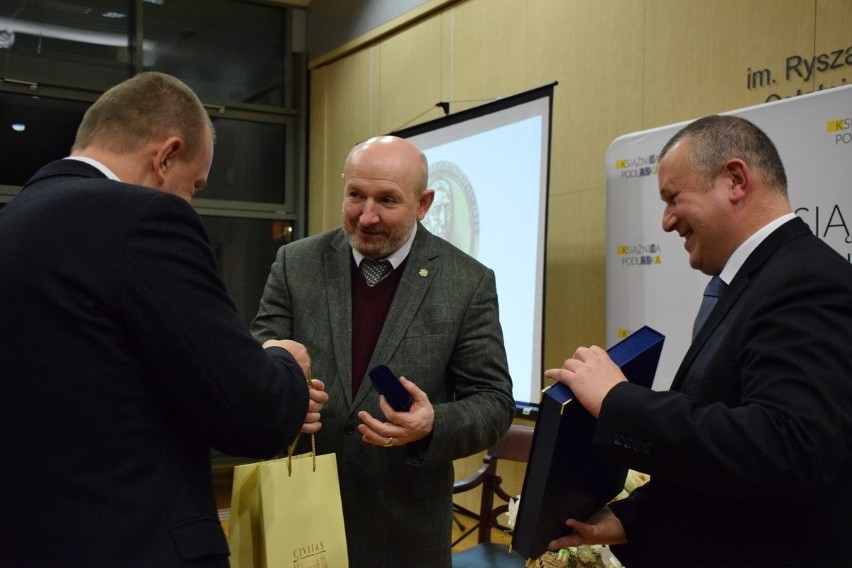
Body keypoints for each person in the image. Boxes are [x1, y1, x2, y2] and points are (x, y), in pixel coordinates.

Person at [0, 72, 328, 567]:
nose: (190, 201)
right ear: (166, 156)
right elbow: (251, 414)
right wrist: (284, 362)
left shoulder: (17, 220)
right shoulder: (141, 218)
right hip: (135, 542)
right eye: (193, 186)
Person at [544, 115, 852, 567]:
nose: (667, 222)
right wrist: (634, 518)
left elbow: (788, 449)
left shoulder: (805, 280)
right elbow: (727, 447)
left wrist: (617, 400)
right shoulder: (758, 280)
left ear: (734, 180)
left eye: (673, 198)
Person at [251, 135, 515, 567]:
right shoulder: (295, 263)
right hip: (298, 516)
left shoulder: (467, 283)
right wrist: (282, 395)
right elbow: (260, 357)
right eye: (356, 195)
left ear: (423, 203)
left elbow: (494, 402)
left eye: (387, 200)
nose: (366, 216)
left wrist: (432, 423)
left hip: (404, 530)